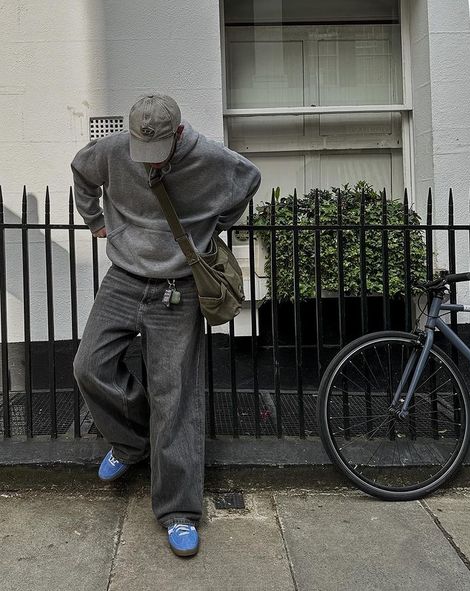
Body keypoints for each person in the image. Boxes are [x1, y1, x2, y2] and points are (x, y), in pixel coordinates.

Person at [71, 94, 261, 557]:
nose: (147, 160)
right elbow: (81, 169)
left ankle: (179, 511)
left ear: (177, 134)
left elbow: (248, 181)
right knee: (89, 365)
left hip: (179, 286)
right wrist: (95, 220)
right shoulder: (116, 149)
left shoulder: (211, 157)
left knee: (175, 394)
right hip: (124, 278)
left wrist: (212, 223)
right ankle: (134, 441)